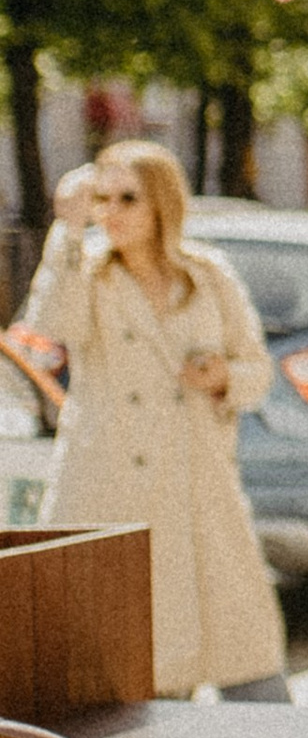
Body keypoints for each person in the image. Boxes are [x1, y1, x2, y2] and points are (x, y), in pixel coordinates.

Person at [23, 141, 289, 700]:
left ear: (161, 203)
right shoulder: (89, 273)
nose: (112, 211)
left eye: (128, 197)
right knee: (134, 672)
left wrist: (222, 375)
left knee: (249, 662)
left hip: (199, 487)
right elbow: (50, 321)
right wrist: (68, 228)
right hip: (113, 490)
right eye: (103, 197)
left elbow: (258, 370)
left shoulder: (207, 273)